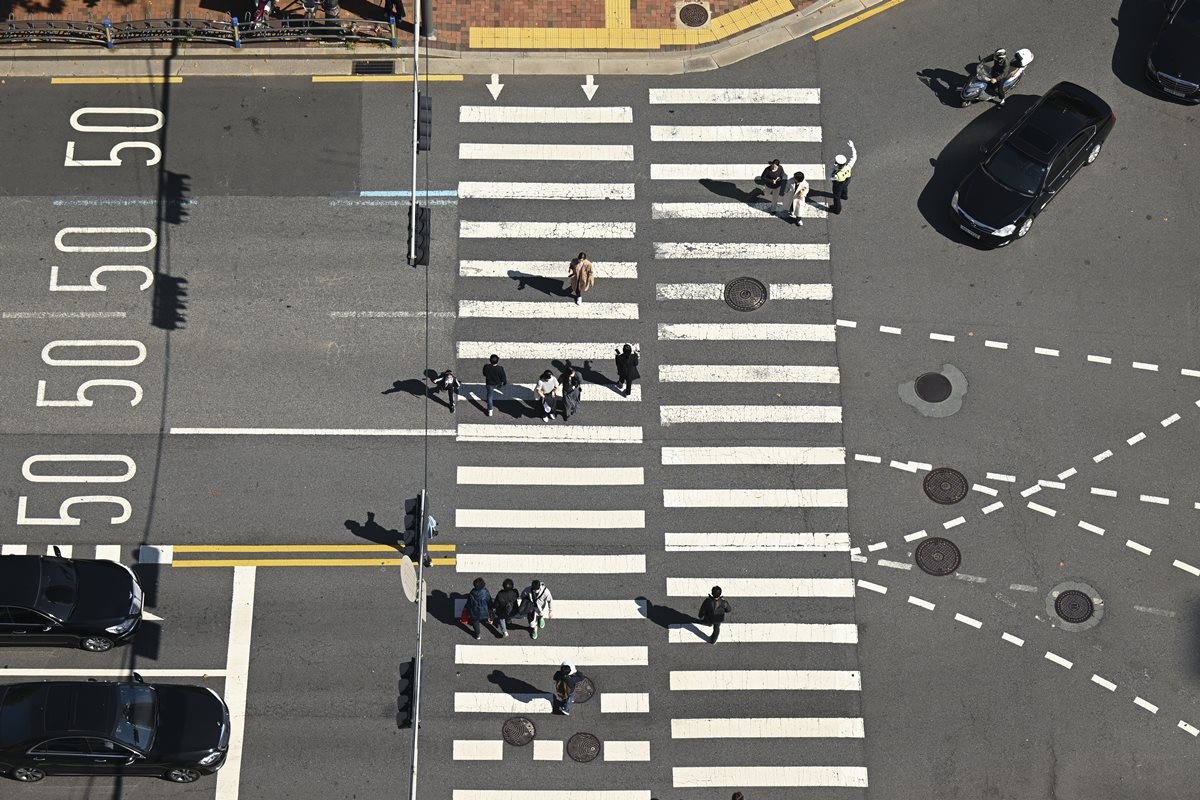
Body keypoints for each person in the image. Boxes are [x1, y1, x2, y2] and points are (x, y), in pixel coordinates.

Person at [830, 139, 857, 215]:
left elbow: (830, 177)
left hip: (838, 184)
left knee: (836, 196)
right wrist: (852, 147)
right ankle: (844, 196)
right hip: (847, 179)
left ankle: (837, 209)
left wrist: (833, 168)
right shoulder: (848, 166)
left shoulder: (836, 175)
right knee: (845, 188)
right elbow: (854, 157)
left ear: (837, 164)